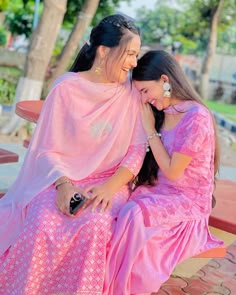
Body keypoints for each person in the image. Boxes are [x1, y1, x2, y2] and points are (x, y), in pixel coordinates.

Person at [0, 14, 147, 294]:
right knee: (41, 224)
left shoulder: (131, 94)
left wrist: (108, 187)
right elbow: (46, 149)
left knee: (94, 225)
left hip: (109, 182)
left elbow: (136, 150)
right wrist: (64, 186)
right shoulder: (66, 89)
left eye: (137, 55)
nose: (134, 63)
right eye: (129, 54)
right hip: (59, 178)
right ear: (104, 52)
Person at [104, 50, 224, 294]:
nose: (144, 99)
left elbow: (172, 171)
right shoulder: (163, 112)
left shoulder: (196, 116)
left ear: (165, 81)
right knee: (117, 209)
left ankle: (121, 288)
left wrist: (150, 129)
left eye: (145, 91)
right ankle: (106, 283)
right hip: (158, 193)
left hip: (187, 202)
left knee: (134, 214)